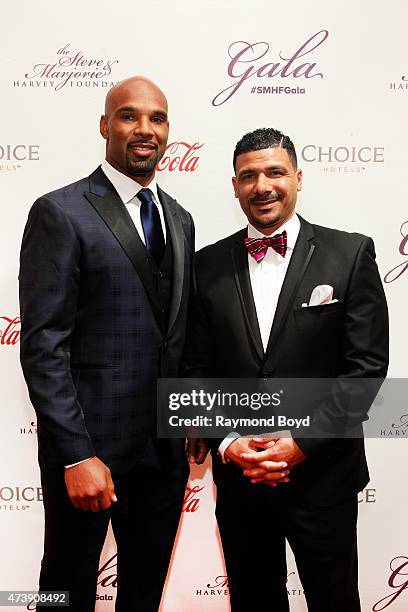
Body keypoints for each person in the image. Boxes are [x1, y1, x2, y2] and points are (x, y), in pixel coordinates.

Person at [184, 128, 388, 612]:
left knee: (335, 602)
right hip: (241, 481)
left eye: (275, 172)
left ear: (297, 177)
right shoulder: (204, 266)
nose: (263, 185)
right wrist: (231, 444)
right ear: (234, 185)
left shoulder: (350, 253)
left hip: (325, 477)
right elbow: (194, 370)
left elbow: (366, 369)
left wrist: (300, 444)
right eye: (249, 175)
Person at [19, 76, 194, 612]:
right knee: (64, 592)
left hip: (163, 457)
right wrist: (76, 455)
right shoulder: (61, 211)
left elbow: (177, 333)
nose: (145, 129)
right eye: (129, 115)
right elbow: (44, 344)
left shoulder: (181, 219)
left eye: (157, 119)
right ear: (105, 125)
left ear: (168, 132)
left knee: (143, 593)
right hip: (89, 453)